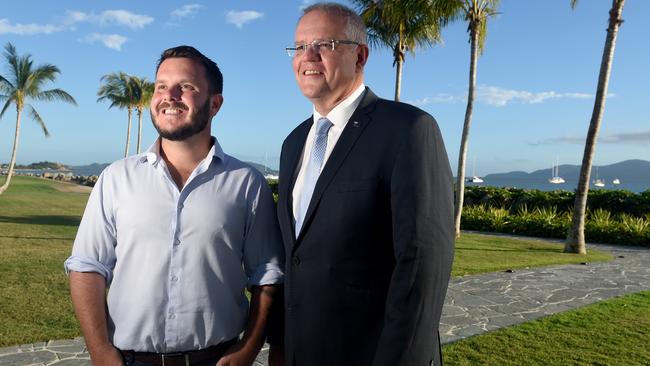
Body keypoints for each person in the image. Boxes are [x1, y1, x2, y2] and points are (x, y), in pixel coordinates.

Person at [65, 45, 284, 366]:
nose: (170, 95)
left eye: (187, 87)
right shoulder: (116, 178)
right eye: (161, 86)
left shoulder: (247, 182)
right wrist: (99, 350)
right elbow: (87, 266)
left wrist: (248, 349)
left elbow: (267, 273)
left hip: (216, 359)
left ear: (215, 104)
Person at [277, 3, 455, 365]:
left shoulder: (407, 129)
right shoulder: (294, 143)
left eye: (324, 44)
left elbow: (423, 264)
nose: (307, 56)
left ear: (359, 56)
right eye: (299, 46)